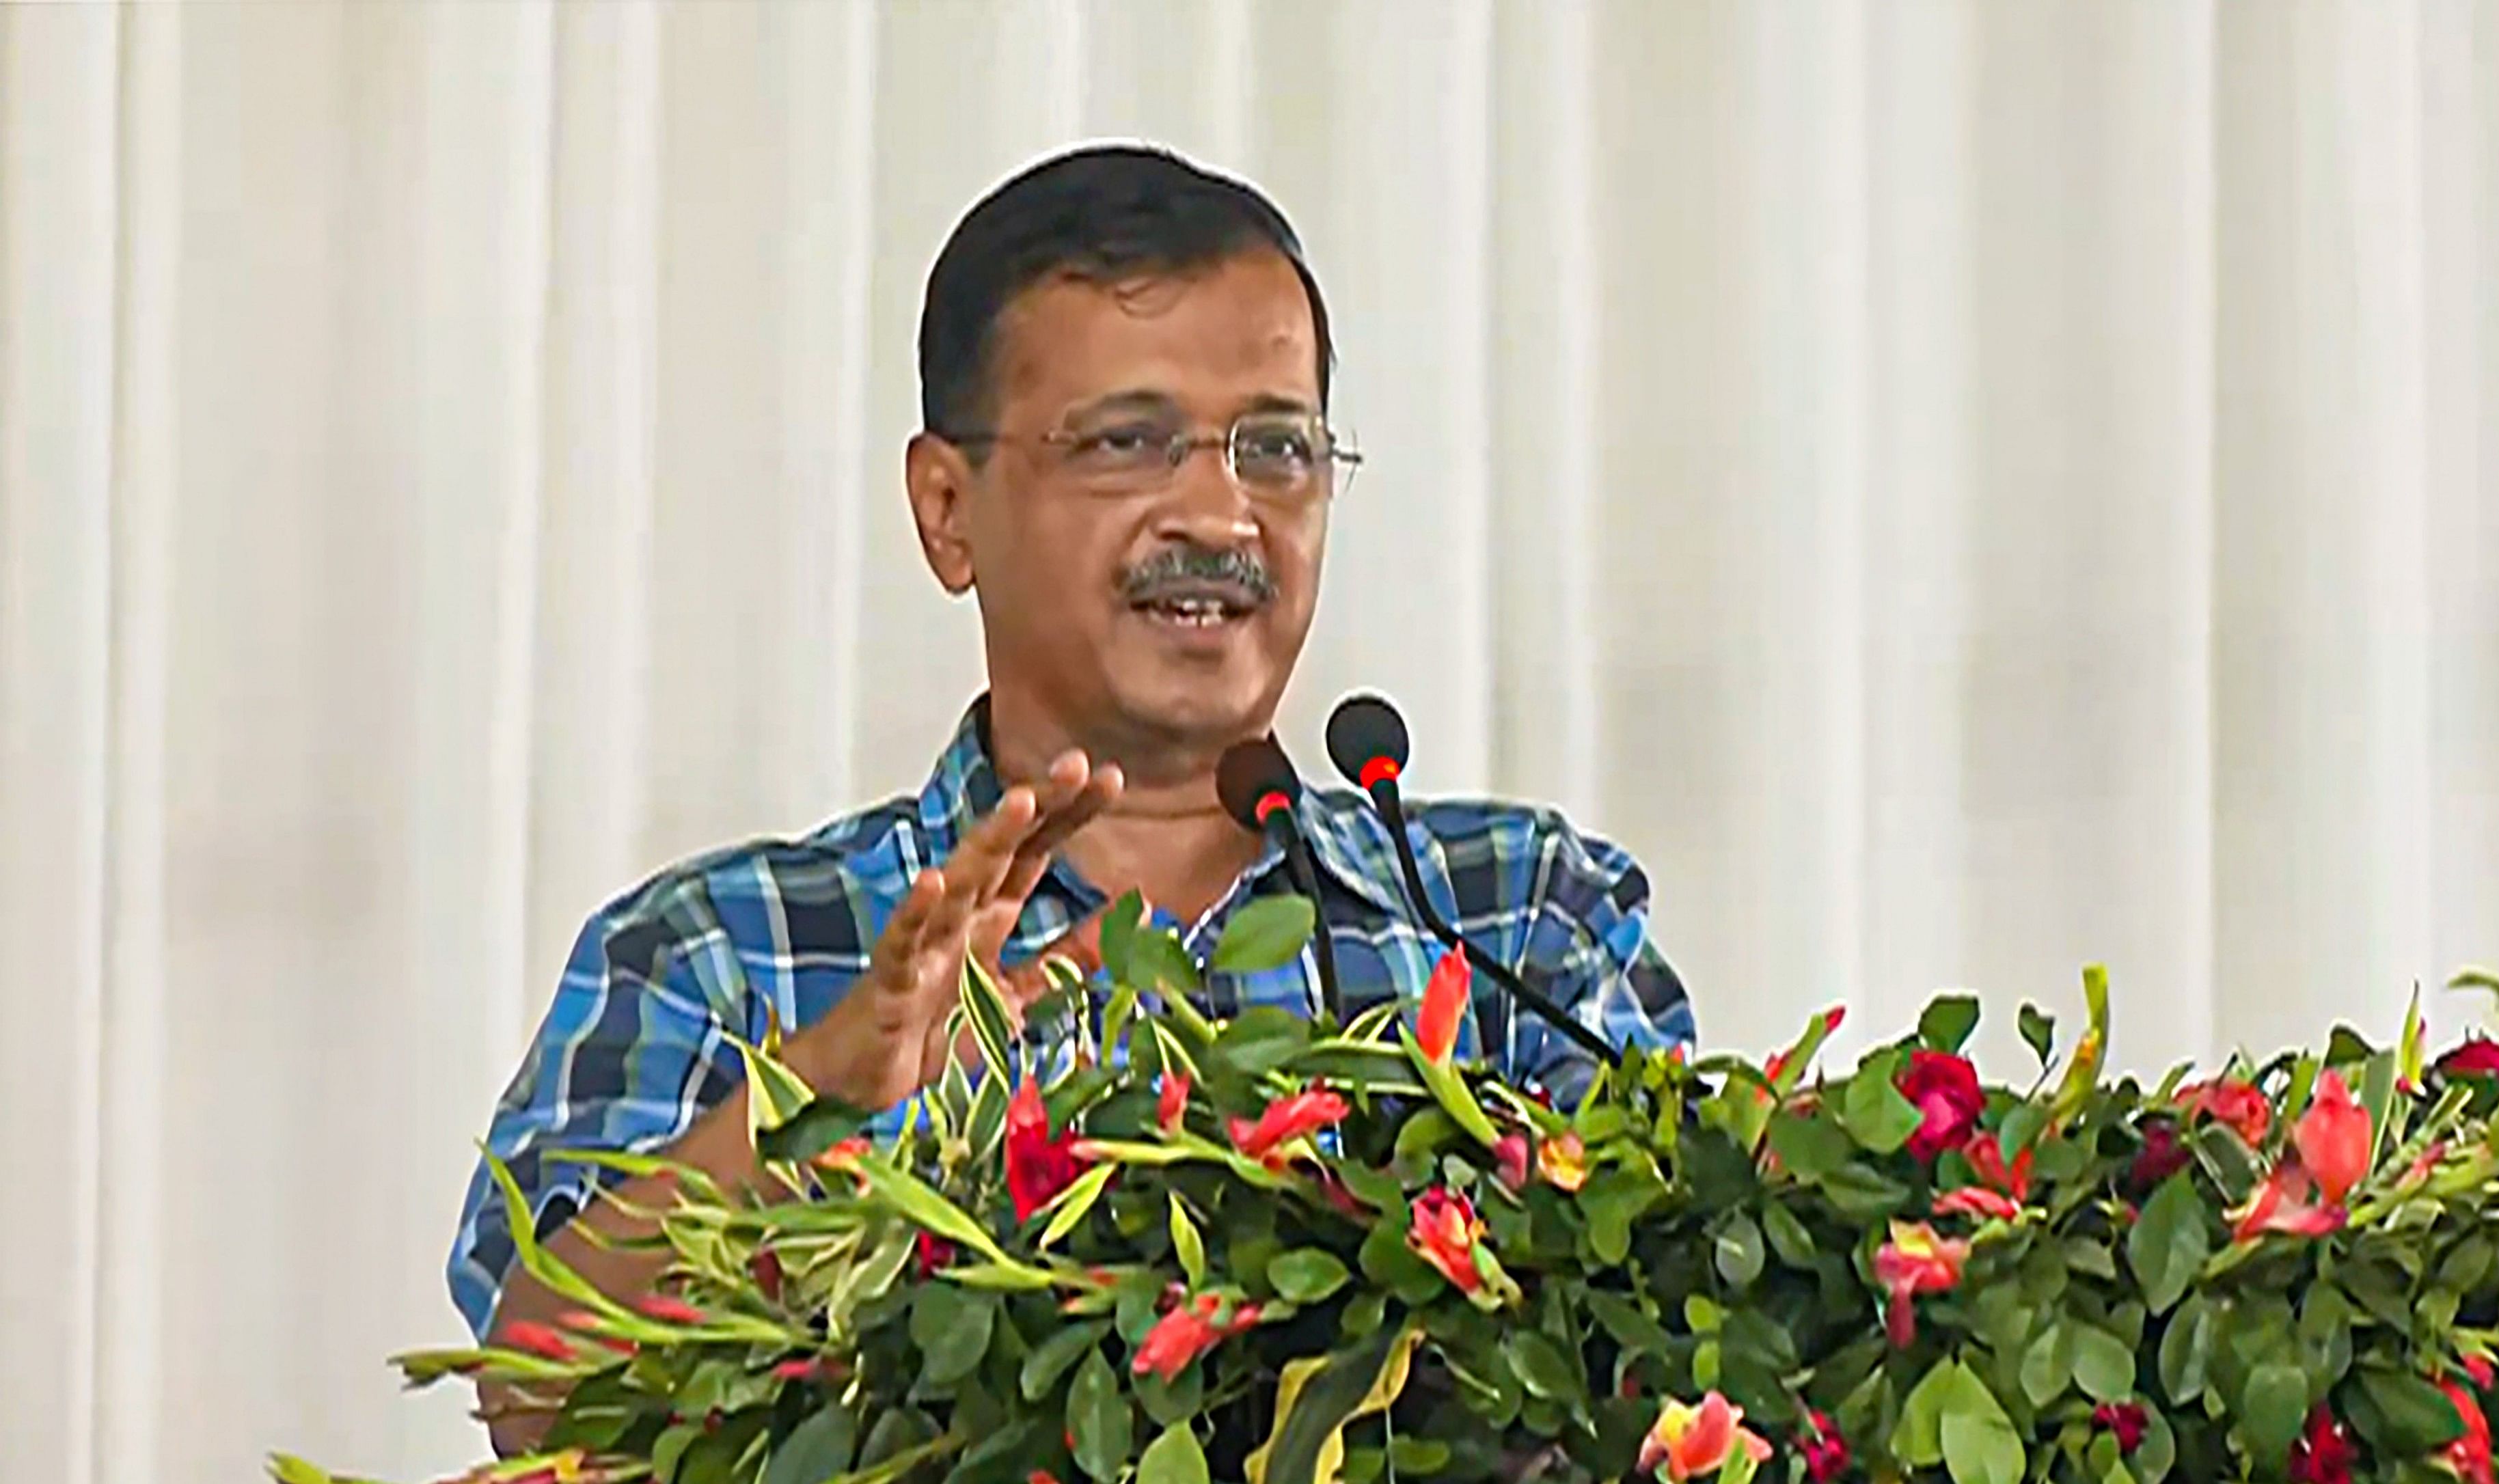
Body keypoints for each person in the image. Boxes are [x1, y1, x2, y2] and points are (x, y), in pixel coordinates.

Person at [447, 143, 1695, 1453]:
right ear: (947, 509)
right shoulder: (725, 951)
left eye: (1277, 447)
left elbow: (1706, 1360)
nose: (1221, 513)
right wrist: (822, 1095)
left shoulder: (1510, 920)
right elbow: (538, 1396)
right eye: (1129, 444)